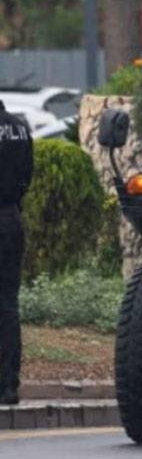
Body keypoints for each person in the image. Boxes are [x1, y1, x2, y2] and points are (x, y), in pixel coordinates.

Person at [0, 100, 33, 406]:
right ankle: (9, 385)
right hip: (11, 218)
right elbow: (27, 174)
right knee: (8, 305)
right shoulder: (20, 127)